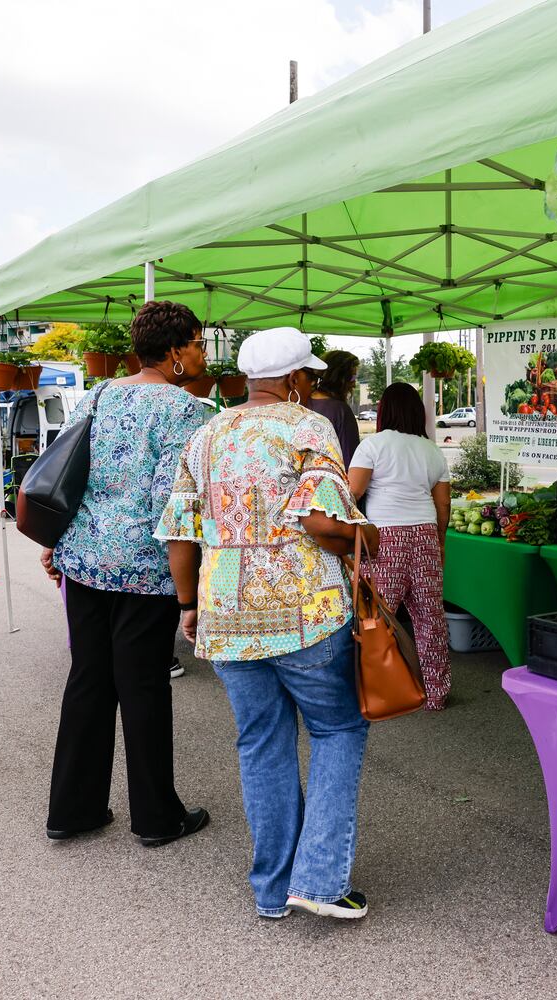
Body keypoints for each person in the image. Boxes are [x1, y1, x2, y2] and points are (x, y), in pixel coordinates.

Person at [158, 327, 378, 921]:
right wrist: (368, 537)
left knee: (261, 742)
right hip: (304, 613)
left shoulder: (205, 435)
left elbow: (181, 532)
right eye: (306, 376)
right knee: (337, 731)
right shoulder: (307, 426)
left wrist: (188, 605)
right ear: (295, 381)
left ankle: (273, 889)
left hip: (226, 617)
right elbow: (320, 520)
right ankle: (320, 881)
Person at [40, 300, 211, 846]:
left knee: (88, 679)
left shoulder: (99, 394)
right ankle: (157, 818)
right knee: (142, 688)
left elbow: (68, 470)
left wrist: (57, 541)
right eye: (199, 343)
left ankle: (73, 809)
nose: (204, 352)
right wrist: (191, 592)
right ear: (176, 350)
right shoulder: (187, 413)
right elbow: (175, 505)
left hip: (84, 558)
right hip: (145, 567)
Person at [347, 383, 452, 710]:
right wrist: (440, 543)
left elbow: (352, 493)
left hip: (384, 538)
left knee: (375, 616)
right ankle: (436, 694)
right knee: (429, 617)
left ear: (383, 412)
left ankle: (376, 691)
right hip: (424, 535)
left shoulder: (373, 446)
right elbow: (443, 507)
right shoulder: (432, 450)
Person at [305, 349, 361, 467]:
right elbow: (351, 459)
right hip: (330, 482)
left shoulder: (301, 402)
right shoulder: (341, 411)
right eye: (352, 377)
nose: (354, 384)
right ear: (339, 378)